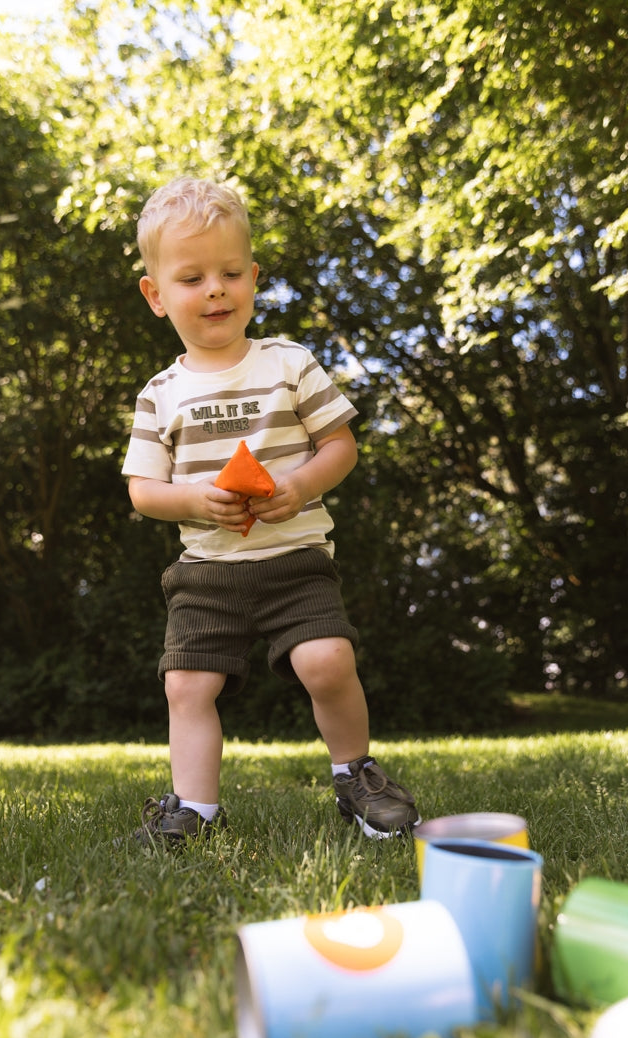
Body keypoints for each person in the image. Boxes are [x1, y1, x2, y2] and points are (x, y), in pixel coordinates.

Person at [121, 176, 418, 845]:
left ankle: (357, 775)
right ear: (156, 296)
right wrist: (196, 499)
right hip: (206, 572)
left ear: (253, 278)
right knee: (187, 687)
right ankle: (194, 811)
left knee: (328, 661)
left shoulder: (289, 364)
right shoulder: (160, 394)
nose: (216, 289)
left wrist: (301, 484)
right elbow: (144, 490)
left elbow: (341, 444)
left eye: (230, 272)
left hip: (295, 561)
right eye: (192, 277)